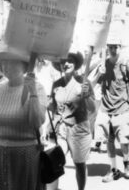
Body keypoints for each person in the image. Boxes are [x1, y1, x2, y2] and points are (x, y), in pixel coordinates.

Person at [0, 45, 47, 190]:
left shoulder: (38, 88)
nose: (6, 66)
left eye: (12, 62)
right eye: (4, 62)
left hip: (24, 157)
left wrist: (33, 93)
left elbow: (37, 121)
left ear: (25, 66)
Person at [46, 52, 95, 190]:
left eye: (70, 61)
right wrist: (47, 123)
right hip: (61, 129)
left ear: (75, 64)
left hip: (79, 129)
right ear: (60, 65)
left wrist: (86, 96)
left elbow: (92, 109)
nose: (66, 63)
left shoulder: (84, 82)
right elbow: (53, 108)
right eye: (63, 61)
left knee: (79, 165)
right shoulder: (56, 84)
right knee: (53, 162)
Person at [92, 41, 129, 182]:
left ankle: (127, 165)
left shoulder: (125, 64)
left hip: (122, 109)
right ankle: (114, 170)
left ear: (120, 48)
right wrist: (98, 74)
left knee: (125, 142)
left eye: (116, 47)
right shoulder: (102, 64)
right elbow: (90, 85)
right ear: (107, 48)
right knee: (109, 141)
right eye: (110, 47)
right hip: (105, 109)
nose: (113, 50)